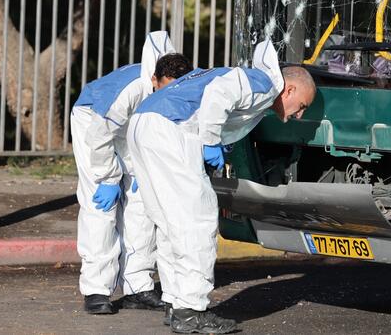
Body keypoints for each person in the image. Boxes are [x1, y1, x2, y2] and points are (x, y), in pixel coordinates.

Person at [127, 39, 316, 333]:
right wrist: (210, 139)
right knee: (197, 222)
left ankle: (176, 304)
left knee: (170, 224)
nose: (298, 115)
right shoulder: (264, 83)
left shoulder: (247, 79)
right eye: (301, 106)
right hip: (170, 129)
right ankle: (191, 311)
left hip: (144, 122)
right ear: (288, 90)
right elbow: (219, 94)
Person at [71, 31, 193, 315]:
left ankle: (137, 285)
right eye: (163, 89)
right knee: (101, 206)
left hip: (131, 127)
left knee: (142, 204)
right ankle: (96, 289)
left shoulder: (180, 86)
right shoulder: (131, 90)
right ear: (153, 79)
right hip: (94, 121)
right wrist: (107, 178)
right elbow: (100, 136)